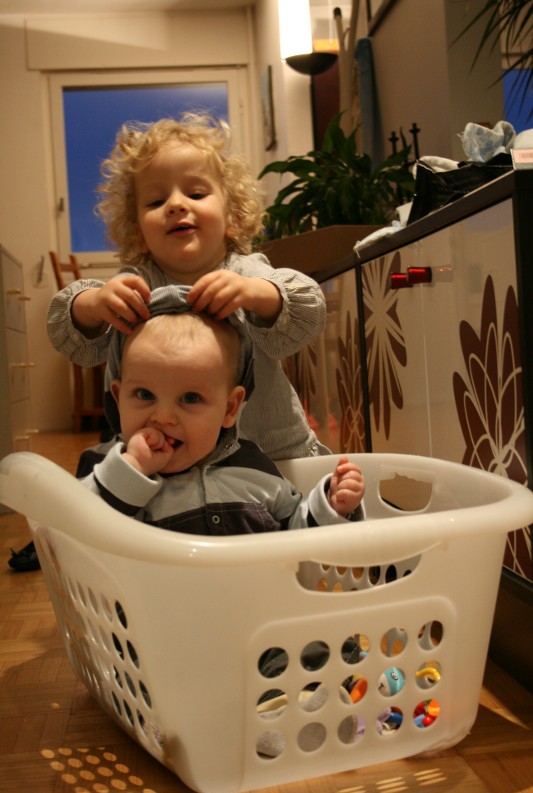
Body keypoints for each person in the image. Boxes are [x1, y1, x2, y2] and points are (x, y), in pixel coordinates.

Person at [47, 112, 330, 462]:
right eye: (156, 201)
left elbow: (308, 309)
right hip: (164, 459)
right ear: (137, 230)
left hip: (268, 455)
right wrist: (92, 304)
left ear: (232, 216)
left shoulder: (245, 271)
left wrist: (255, 294)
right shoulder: (137, 284)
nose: (177, 205)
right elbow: (71, 336)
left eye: (196, 193)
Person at [80, 286, 364, 533]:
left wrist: (332, 505)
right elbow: (79, 528)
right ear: (118, 398)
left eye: (190, 398)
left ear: (230, 408)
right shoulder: (105, 467)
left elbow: (296, 534)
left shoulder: (254, 469)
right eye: (144, 395)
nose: (163, 418)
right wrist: (133, 467)